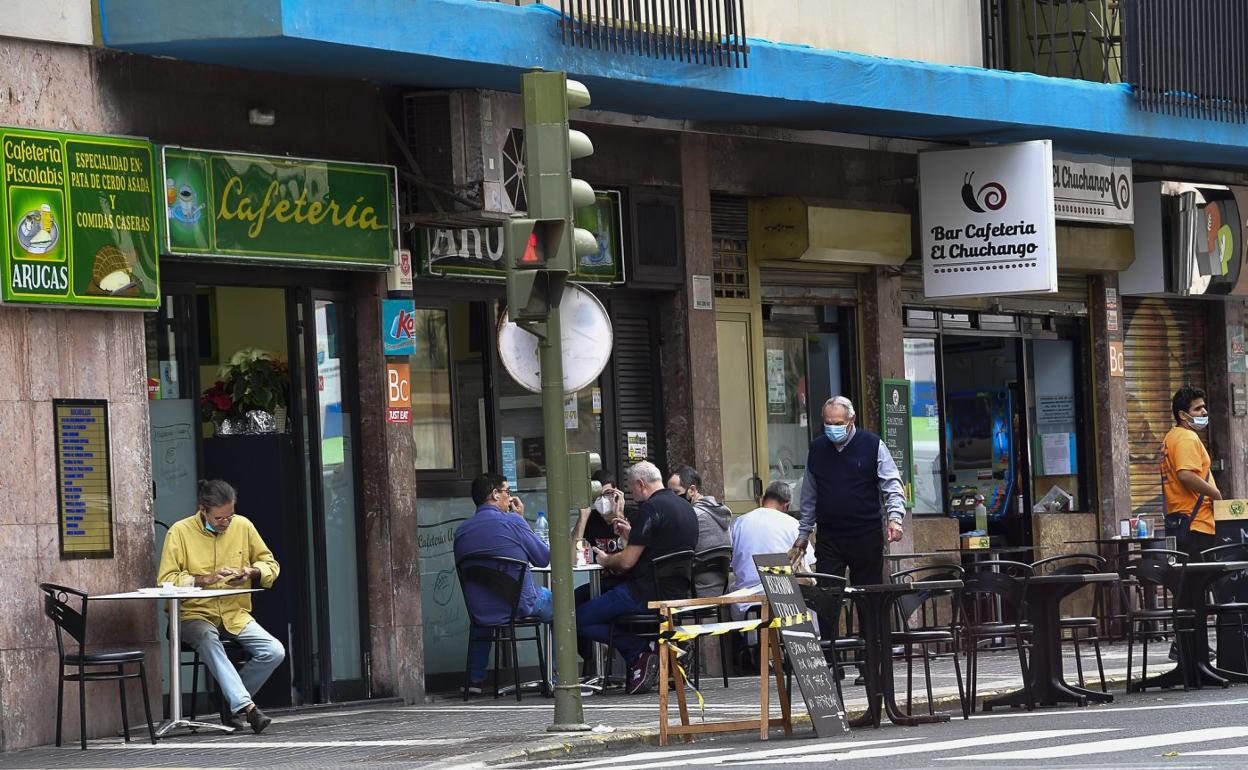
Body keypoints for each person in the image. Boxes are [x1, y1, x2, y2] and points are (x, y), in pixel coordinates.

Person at [157, 480, 283, 734]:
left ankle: (229, 700)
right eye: (219, 518)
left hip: (234, 612)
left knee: (274, 651)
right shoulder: (180, 532)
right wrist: (204, 579)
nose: (226, 523)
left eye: (230, 516)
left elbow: (271, 564)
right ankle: (247, 707)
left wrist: (253, 571)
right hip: (194, 613)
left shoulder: (243, 526)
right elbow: (166, 581)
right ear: (202, 509)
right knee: (207, 637)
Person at [576, 461, 697, 694]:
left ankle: (640, 649)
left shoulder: (650, 509)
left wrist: (604, 560)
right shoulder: (685, 508)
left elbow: (626, 562)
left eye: (632, 489)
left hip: (642, 593)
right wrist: (632, 534)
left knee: (576, 620)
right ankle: (652, 651)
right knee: (599, 608)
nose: (633, 494)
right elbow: (663, 545)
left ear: (641, 484)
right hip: (675, 593)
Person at [454, 473, 553, 695]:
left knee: (486, 614)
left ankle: (474, 680)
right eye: (507, 492)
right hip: (519, 605)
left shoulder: (461, 532)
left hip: (480, 611)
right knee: (562, 606)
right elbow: (543, 558)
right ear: (494, 493)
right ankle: (557, 676)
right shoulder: (513, 522)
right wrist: (521, 518)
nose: (509, 498)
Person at [793, 396, 906, 589]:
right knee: (827, 596)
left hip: (865, 533)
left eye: (838, 423)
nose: (832, 428)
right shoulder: (817, 448)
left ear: (851, 420)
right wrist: (804, 533)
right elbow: (809, 495)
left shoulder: (872, 445)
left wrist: (895, 518)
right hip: (829, 535)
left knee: (868, 596)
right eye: (828, 423)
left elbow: (892, 484)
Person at [728, 481, 812, 619]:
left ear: (763, 499)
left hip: (745, 601)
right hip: (786, 599)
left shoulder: (739, 523)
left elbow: (732, 559)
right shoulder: (792, 524)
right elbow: (807, 562)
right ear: (787, 505)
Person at [1161, 386, 1221, 563]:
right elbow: (1185, 474)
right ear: (1182, 415)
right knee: (1200, 585)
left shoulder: (1171, 437)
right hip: (1196, 525)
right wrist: (1215, 494)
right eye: (1197, 408)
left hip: (1181, 524)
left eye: (1204, 407)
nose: (1204, 412)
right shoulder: (1187, 437)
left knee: (1188, 586)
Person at [667, 465, 732, 597]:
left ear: (692, 490)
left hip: (693, 594)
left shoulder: (692, 515)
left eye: (675, 493)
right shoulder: (718, 513)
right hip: (719, 592)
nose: (671, 499)